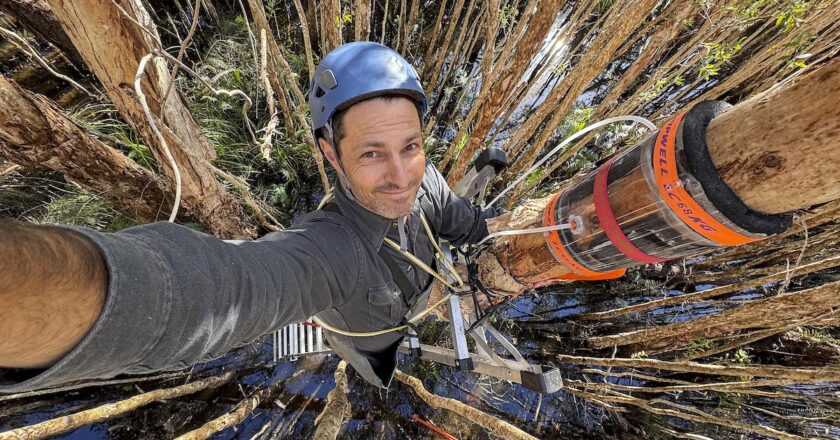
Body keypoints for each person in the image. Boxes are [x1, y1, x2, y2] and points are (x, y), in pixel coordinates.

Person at [0, 42, 502, 393]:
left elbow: (459, 218)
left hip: (413, 302)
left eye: (409, 146)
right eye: (372, 153)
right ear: (331, 153)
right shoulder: (328, 251)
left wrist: (482, 235)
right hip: (369, 341)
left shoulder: (429, 179)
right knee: (380, 372)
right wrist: (31, 291)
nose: (401, 175)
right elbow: (227, 287)